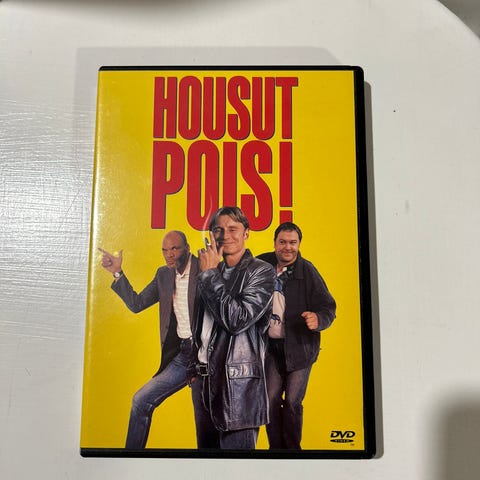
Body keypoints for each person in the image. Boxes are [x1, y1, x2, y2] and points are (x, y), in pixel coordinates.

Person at [99, 231, 199, 450]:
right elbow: (137, 304)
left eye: (175, 248)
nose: (169, 254)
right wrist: (117, 273)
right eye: (165, 250)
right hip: (183, 355)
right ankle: (131, 458)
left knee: (206, 421)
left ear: (187, 248)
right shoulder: (164, 275)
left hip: (207, 356)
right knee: (140, 401)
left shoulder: (204, 268)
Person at [189, 206, 276, 449]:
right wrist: (193, 366)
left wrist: (208, 275)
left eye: (233, 229)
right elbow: (201, 323)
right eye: (218, 229)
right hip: (203, 382)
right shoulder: (209, 270)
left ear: (246, 233)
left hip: (238, 387)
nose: (225, 235)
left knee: (238, 465)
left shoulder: (261, 271)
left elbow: (237, 320)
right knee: (206, 464)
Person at [257, 222, 336, 449]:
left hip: (300, 349)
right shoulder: (261, 264)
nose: (287, 247)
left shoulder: (308, 271)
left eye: (292, 242)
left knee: (292, 402)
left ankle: (293, 451)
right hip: (271, 349)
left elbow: (328, 307)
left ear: (299, 244)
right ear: (274, 243)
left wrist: (318, 319)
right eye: (282, 242)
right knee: (270, 400)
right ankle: (276, 450)